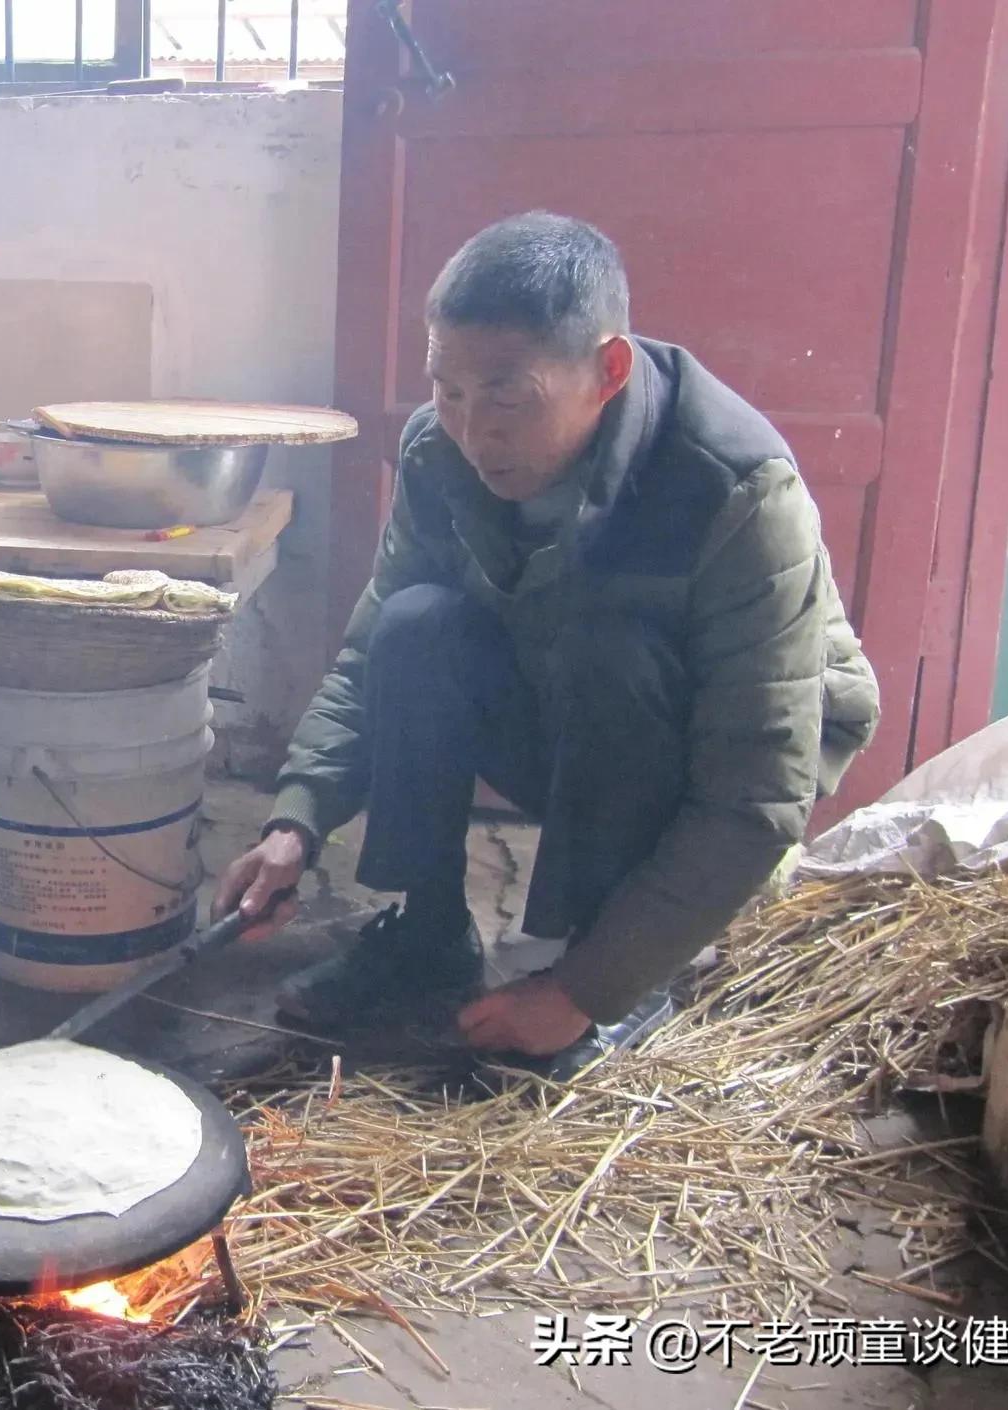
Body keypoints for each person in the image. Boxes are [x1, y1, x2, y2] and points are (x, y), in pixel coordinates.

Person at [214, 212, 879, 1078]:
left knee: (615, 646)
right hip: (562, 707)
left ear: (609, 371)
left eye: (506, 395)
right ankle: (427, 934)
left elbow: (757, 793)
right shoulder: (439, 451)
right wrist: (293, 824)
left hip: (696, 755)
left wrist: (583, 990)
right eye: (446, 389)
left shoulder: (737, 491)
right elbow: (374, 648)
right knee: (419, 625)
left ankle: (618, 968)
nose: (471, 428)